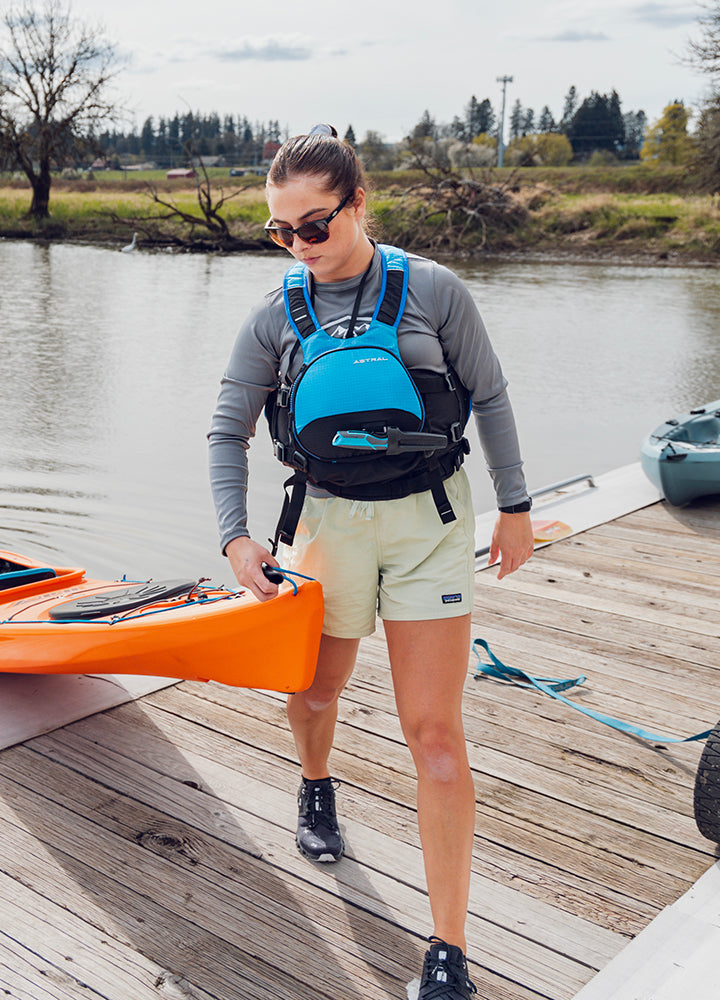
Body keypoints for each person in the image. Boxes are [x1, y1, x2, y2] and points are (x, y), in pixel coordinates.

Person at [207, 125, 534, 1000]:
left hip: (429, 525)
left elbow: (492, 396)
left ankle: (449, 949)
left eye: (314, 225)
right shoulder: (275, 314)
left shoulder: (433, 289)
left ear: (358, 204)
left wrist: (517, 505)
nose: (299, 245)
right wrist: (237, 536)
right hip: (323, 530)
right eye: (281, 232)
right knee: (313, 693)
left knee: (435, 737)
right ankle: (316, 784)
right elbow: (226, 429)